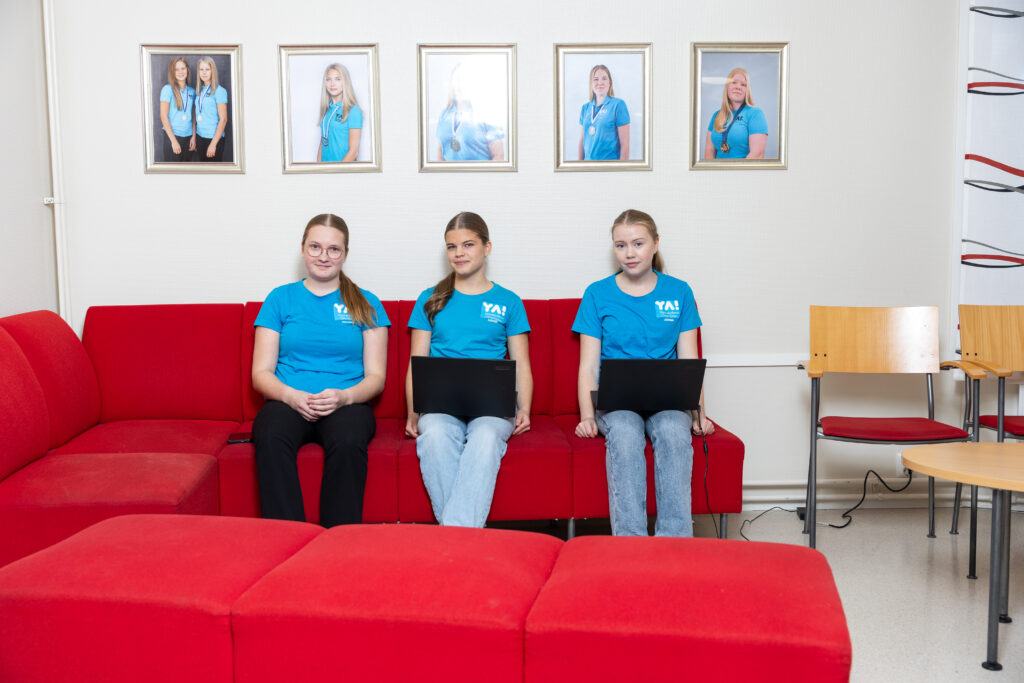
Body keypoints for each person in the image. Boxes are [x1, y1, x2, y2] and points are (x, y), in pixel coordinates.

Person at [573, 209, 714, 537]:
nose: (629, 253)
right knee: (624, 433)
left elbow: (689, 361)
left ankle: (675, 541)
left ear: (655, 244)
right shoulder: (597, 293)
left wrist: (699, 415)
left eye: (638, 243)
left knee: (673, 432)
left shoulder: (679, 291)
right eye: (620, 245)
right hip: (616, 402)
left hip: (668, 401)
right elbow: (588, 365)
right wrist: (586, 417)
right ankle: (630, 543)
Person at [252, 213, 389, 527]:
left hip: (347, 403)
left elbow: (376, 377)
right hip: (288, 400)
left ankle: (338, 538)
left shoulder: (366, 303)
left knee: (349, 439)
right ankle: (287, 535)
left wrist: (344, 397)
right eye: (315, 247)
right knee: (270, 433)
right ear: (303, 249)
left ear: (345, 254)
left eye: (333, 249)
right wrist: (290, 396)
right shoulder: (279, 299)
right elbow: (260, 373)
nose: (323, 256)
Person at [405, 212, 531, 527]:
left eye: (468, 244)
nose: (459, 253)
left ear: (487, 247)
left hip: (492, 404)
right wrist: (412, 412)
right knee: (434, 436)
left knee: (486, 437)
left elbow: (522, 364)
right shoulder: (430, 299)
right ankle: (466, 536)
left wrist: (525, 408)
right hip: (439, 403)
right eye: (452, 247)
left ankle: (454, 536)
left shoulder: (509, 301)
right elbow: (416, 364)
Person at [435, 63, 505, 162]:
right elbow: (440, 156)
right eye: (457, 80)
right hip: (450, 172)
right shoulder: (444, 114)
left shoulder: (487, 114)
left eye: (464, 80)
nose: (459, 85)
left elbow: (498, 157)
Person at [703, 67, 768, 160]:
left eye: (743, 84)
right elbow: (709, 153)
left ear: (747, 90)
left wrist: (734, 170)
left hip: (742, 169)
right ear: (727, 87)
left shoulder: (755, 114)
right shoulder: (717, 115)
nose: (738, 87)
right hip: (717, 169)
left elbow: (756, 155)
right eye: (733, 82)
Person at [577, 64, 630, 161]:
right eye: (596, 79)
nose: (600, 82)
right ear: (591, 83)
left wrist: (622, 169)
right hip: (587, 165)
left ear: (610, 82)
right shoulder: (585, 108)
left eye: (604, 78)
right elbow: (582, 141)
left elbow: (625, 145)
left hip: (609, 165)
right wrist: (578, 166)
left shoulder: (618, 105)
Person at [317, 63, 362, 163]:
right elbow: (323, 141)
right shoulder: (327, 109)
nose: (332, 84)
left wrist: (337, 171)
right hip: (325, 169)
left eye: (337, 79)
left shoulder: (353, 111)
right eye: (328, 79)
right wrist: (318, 167)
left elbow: (354, 152)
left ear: (345, 82)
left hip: (343, 170)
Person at [158, 57, 195, 162]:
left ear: (187, 69)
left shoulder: (192, 91)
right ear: (172, 72)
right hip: (173, 137)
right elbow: (163, 116)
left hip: (188, 138)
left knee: (186, 170)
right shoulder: (167, 89)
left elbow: (193, 116)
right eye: (176, 69)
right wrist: (173, 141)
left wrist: (193, 137)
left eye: (183, 68)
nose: (180, 72)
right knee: (173, 171)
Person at [194, 57, 229, 162]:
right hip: (200, 137)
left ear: (212, 71)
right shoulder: (199, 91)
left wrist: (213, 144)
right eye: (201, 69)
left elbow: (223, 120)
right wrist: (195, 138)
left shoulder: (220, 91)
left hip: (213, 139)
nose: (204, 72)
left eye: (207, 69)